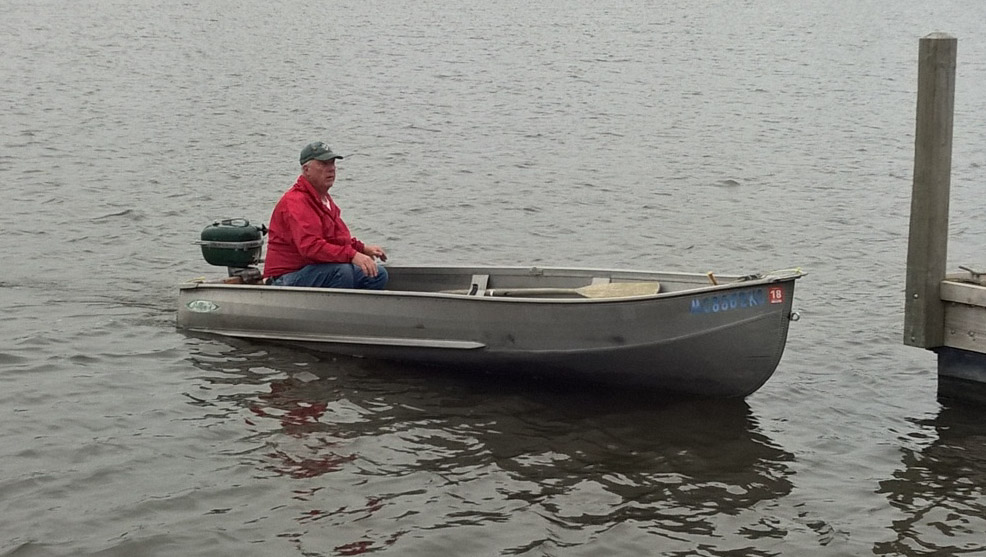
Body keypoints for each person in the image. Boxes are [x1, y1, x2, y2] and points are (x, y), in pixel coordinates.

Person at [262, 141, 388, 289]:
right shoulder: (296, 201)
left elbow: (337, 238)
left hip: (315, 269)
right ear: (306, 170)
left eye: (332, 163)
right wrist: (352, 255)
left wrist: (362, 249)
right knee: (342, 272)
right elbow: (311, 247)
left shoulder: (323, 199)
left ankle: (353, 304)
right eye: (323, 164)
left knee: (377, 273)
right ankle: (335, 304)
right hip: (286, 276)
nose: (331, 168)